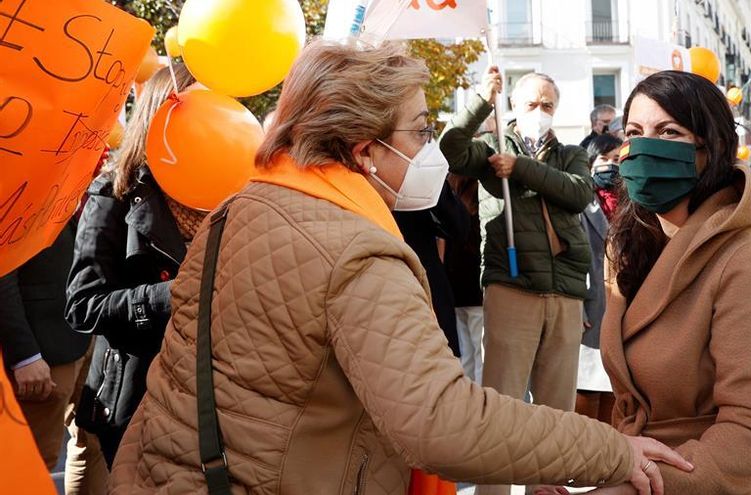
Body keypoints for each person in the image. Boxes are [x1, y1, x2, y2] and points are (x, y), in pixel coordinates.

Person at [107, 40, 692, 495]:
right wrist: (613, 451)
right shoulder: (356, 253)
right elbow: (443, 421)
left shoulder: (241, 207)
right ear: (365, 150)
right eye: (418, 131)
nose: (428, 150)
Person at [595, 70, 751, 494]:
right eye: (634, 131)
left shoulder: (750, 260)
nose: (645, 145)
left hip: (710, 480)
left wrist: (633, 487)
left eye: (669, 131)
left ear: (713, 146)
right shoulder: (627, 246)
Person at [440, 69, 594, 495]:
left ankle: (545, 488)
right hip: (511, 284)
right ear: (512, 105)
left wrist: (521, 168)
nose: (540, 112)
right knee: (503, 404)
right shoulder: (492, 146)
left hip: (564, 289)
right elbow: (450, 149)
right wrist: (478, 101)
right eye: (531, 104)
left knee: (555, 408)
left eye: (548, 105)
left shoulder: (569, 153)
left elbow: (580, 193)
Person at [65, 63, 203, 466]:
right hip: (134, 394)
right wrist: (168, 296)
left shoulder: (228, 194)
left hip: (205, 397)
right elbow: (83, 304)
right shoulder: (115, 191)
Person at [0, 219, 108, 493]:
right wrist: (24, 355)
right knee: (34, 460)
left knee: (93, 445)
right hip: (42, 353)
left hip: (91, 336)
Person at [393, 181, 469, 356]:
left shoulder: (420, 175)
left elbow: (459, 226)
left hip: (429, 296)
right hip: (383, 299)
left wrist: (430, 179)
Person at [576, 134, 622, 423]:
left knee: (616, 397)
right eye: (604, 159)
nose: (611, 166)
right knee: (586, 394)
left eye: (617, 160)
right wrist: (577, 305)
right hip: (592, 310)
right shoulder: (578, 202)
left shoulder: (632, 202)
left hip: (623, 312)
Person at [446, 174, 485, 382]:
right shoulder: (481, 207)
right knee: (481, 357)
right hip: (476, 291)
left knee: (467, 357)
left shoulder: (450, 202)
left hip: (456, 290)